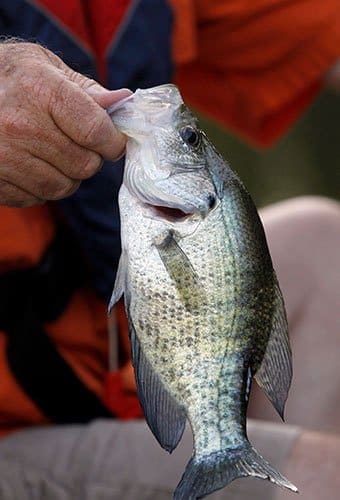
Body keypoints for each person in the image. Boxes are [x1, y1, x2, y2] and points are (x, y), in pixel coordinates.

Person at [0, 1, 339, 498]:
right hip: (14, 429)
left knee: (320, 243)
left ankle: (218, 439)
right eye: (189, 139)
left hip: (115, 369)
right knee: (329, 477)